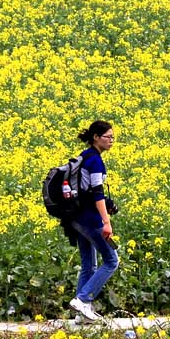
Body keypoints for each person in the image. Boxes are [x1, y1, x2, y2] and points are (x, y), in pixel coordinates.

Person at [65, 120, 118, 322]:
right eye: (108, 137)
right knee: (112, 261)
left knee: (89, 265)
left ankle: (81, 315)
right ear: (96, 137)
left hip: (76, 217)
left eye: (113, 137)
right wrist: (106, 221)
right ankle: (83, 299)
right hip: (90, 218)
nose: (111, 141)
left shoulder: (83, 156)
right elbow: (96, 193)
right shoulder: (95, 160)